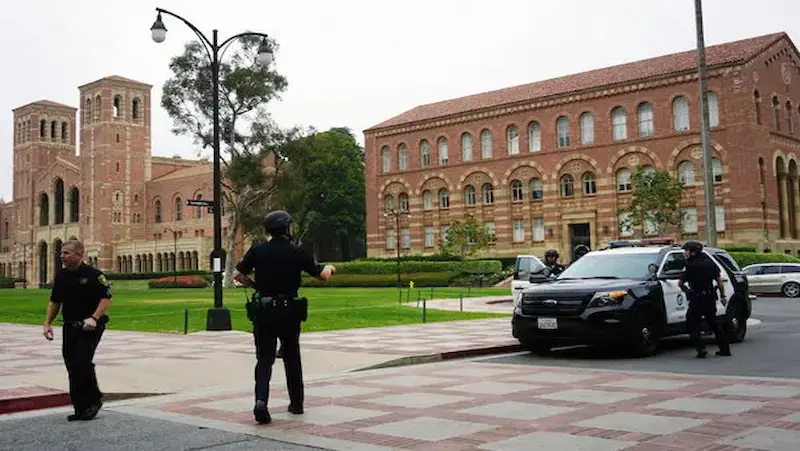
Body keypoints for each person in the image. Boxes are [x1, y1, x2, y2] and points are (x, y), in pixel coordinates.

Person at [234, 210, 336, 424]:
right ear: (287, 228)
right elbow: (323, 276)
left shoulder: (258, 250)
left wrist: (257, 286)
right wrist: (330, 267)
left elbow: (238, 275)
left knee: (264, 359)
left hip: (265, 311)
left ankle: (261, 401)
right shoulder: (297, 251)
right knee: (292, 357)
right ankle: (296, 404)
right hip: (290, 312)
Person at [43, 239, 112, 421]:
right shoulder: (62, 276)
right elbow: (55, 301)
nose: (62, 256)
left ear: (79, 255)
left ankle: (94, 400)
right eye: (61, 253)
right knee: (71, 364)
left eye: (66, 253)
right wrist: (47, 323)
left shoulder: (93, 275)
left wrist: (94, 318)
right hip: (70, 325)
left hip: (90, 326)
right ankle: (80, 408)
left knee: (82, 362)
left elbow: (105, 298)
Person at [678, 240, 731, 359]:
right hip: (710, 296)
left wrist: (687, 291)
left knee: (692, 323)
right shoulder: (710, 263)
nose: (684, 253)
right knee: (714, 323)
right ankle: (724, 349)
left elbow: (680, 283)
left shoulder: (689, 265)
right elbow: (719, 281)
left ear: (692, 252)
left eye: (686, 251)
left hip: (696, 298)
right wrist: (722, 296)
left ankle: (701, 350)